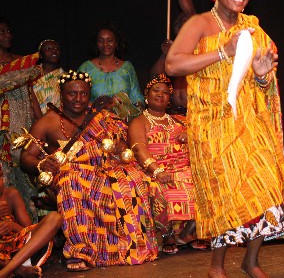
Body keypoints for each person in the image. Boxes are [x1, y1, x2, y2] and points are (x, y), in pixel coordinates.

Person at [165, 0, 284, 278]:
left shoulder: (253, 27)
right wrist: (223, 51)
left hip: (252, 120)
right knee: (226, 191)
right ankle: (217, 267)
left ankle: (251, 260)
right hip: (213, 124)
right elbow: (173, 64)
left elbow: (264, 77)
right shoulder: (199, 23)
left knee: (270, 186)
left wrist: (263, 77)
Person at [19, 70, 157, 271]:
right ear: (62, 93)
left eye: (83, 94)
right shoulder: (47, 122)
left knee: (134, 178)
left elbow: (122, 147)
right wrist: (43, 164)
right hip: (71, 172)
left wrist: (119, 147)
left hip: (104, 169)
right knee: (71, 182)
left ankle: (124, 248)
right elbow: (25, 158)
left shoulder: (102, 117)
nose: (78, 99)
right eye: (72, 93)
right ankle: (81, 252)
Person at [128, 74, 208, 254]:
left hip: (184, 169)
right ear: (146, 95)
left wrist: (191, 136)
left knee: (206, 185)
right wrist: (157, 171)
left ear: (169, 98)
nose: (160, 95)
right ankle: (167, 235)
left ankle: (186, 233)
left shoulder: (181, 120)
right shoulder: (139, 122)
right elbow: (139, 149)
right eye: (156, 90)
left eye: (165, 92)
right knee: (164, 189)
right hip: (154, 171)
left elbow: (205, 137)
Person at [0, 17, 40, 222]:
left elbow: (31, 94)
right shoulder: (15, 69)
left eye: (8, 31)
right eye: (2, 32)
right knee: (7, 175)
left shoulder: (21, 62)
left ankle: (33, 224)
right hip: (3, 128)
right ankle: (11, 226)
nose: (7, 36)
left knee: (27, 171)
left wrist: (40, 122)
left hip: (23, 123)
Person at [0, 166, 63, 278]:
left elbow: (30, 230)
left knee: (55, 218)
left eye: (0, 176)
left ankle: (9, 271)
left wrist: (13, 226)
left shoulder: (11, 195)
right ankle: (18, 270)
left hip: (21, 253)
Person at [78, 21, 144, 112]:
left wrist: (137, 108)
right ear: (96, 44)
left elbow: (136, 96)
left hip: (124, 122)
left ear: (116, 43)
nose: (105, 44)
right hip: (94, 122)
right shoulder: (86, 68)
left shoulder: (127, 67)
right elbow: (78, 97)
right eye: (101, 41)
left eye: (110, 40)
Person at [30, 39, 65, 119]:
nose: (54, 51)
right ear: (40, 54)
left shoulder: (64, 77)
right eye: (48, 49)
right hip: (32, 122)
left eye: (56, 49)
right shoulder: (31, 74)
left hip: (55, 122)